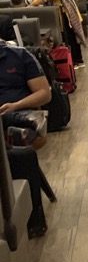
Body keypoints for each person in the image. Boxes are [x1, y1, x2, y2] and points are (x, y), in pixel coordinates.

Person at [0, 41, 52, 238]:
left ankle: (33, 215)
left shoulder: (19, 56)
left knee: (19, 147)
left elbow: (45, 94)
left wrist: (15, 105)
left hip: (19, 114)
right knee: (18, 152)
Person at [24, 0, 86, 66]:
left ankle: (78, 60)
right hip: (57, 10)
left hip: (63, 9)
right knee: (67, 35)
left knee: (69, 35)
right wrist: (31, 5)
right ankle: (73, 60)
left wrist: (43, 0)